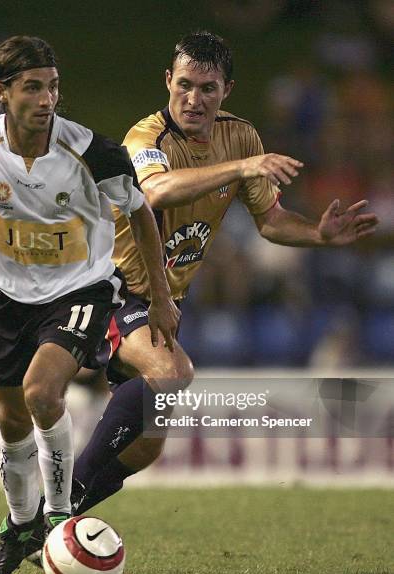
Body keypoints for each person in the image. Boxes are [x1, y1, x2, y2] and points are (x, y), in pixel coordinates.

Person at [70, 31, 379, 514]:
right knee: (173, 373)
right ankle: (58, 506)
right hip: (109, 287)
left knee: (147, 445)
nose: (194, 99)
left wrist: (318, 234)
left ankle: (59, 510)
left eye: (208, 89)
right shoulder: (146, 138)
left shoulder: (240, 137)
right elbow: (157, 192)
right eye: (185, 85)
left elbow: (272, 222)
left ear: (226, 90)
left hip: (164, 298)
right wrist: (240, 169)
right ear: (167, 80)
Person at [0, 35, 179, 574]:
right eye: (33, 87)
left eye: (53, 87)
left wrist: (159, 297)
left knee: (42, 392)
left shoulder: (93, 152)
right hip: (7, 296)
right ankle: (19, 525)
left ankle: (58, 518)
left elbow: (141, 216)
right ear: (3, 92)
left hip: (79, 292)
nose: (46, 99)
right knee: (11, 420)